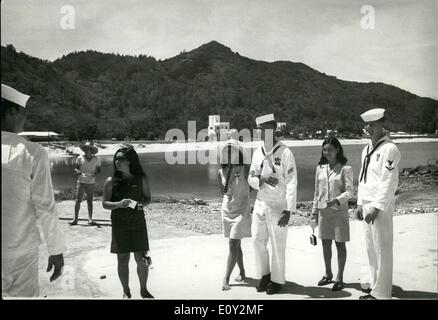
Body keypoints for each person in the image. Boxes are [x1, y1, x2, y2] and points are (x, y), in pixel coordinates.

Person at [1, 83, 65, 297]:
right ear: (11, 112)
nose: (24, 119)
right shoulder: (31, 152)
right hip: (19, 250)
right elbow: (45, 207)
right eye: (22, 113)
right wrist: (55, 250)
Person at [247, 113, 298, 295]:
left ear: (274, 129)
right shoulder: (257, 152)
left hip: (278, 205)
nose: (264, 132)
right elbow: (250, 177)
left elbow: (292, 182)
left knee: (278, 244)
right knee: (256, 240)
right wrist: (261, 179)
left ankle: (276, 281)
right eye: (261, 129)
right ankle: (265, 275)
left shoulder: (285, 152)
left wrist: (288, 209)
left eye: (268, 128)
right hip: (260, 203)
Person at [356, 108, 401, 300]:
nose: (368, 128)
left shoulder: (389, 149)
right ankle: (374, 285)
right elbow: (363, 178)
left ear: (382, 125)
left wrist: (376, 206)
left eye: (372, 125)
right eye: (366, 125)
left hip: (379, 206)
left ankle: (383, 293)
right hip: (366, 204)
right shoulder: (367, 149)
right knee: (371, 247)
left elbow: (389, 181)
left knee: (383, 247)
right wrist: (359, 203)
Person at [102, 147, 153, 299]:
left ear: (130, 161)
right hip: (119, 224)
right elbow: (105, 204)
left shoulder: (141, 178)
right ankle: (126, 290)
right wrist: (118, 204)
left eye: (121, 159)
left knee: (141, 258)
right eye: (116, 159)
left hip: (138, 222)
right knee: (122, 259)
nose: (117, 162)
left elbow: (148, 198)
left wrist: (141, 205)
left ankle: (144, 290)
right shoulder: (110, 182)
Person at [310, 137, 354, 291]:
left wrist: (336, 200)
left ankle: (340, 278)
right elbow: (316, 192)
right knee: (325, 243)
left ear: (337, 150)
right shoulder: (320, 168)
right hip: (323, 212)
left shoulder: (345, 168)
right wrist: (313, 213)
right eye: (324, 149)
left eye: (329, 149)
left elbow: (350, 192)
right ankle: (328, 274)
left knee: (340, 245)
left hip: (338, 213)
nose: (326, 152)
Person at [218, 140, 251, 291]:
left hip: (241, 209)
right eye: (228, 151)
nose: (230, 154)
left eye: (233, 151)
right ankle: (243, 272)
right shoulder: (221, 171)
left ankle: (225, 278)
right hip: (227, 209)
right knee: (235, 243)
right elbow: (223, 192)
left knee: (233, 243)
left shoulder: (246, 169)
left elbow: (252, 187)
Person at [69, 141, 101, 226]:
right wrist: (78, 171)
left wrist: (95, 173)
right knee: (78, 200)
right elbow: (76, 169)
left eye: (88, 149)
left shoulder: (96, 159)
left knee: (89, 201)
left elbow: (99, 169)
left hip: (91, 182)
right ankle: (75, 219)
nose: (86, 150)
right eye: (85, 148)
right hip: (81, 182)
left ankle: (90, 219)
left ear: (91, 150)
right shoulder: (80, 158)